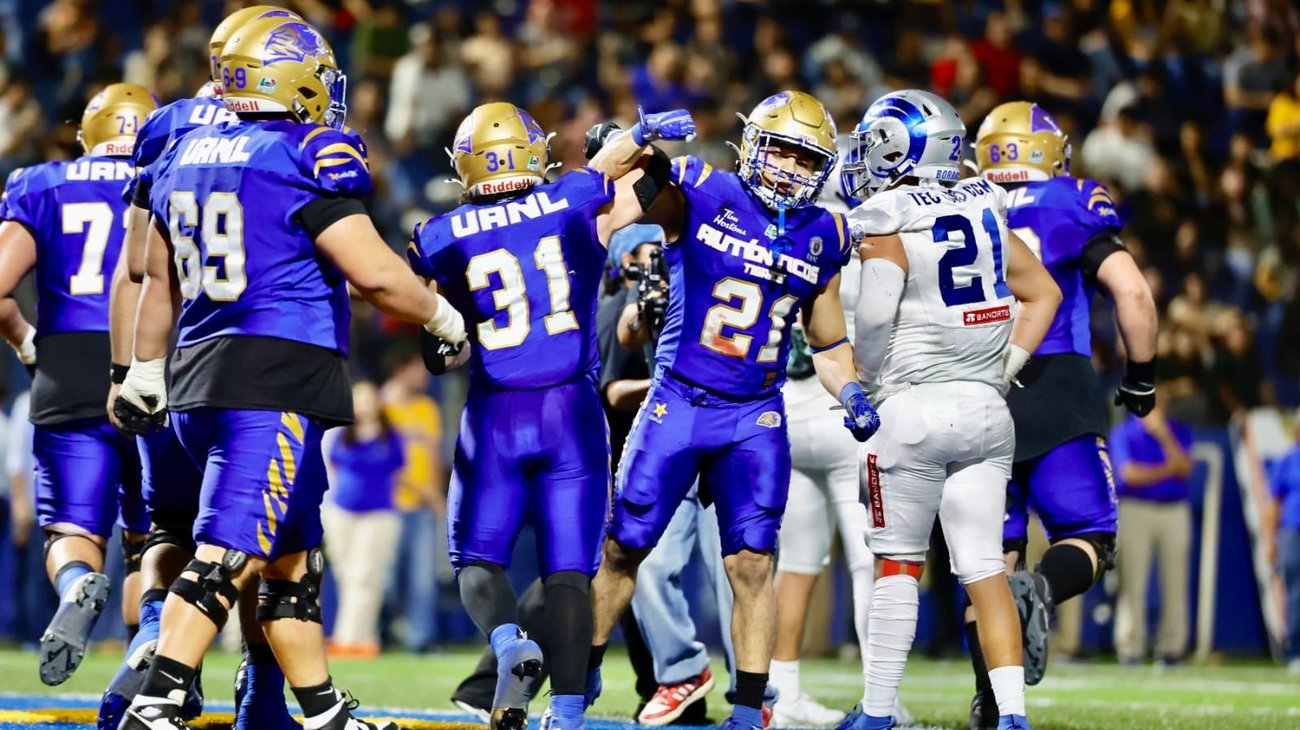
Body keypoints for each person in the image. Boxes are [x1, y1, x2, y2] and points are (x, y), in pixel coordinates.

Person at [113, 16, 466, 730]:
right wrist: (441, 314)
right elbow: (373, 275)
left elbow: (154, 276)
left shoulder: (181, 144)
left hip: (199, 373)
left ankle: (322, 711)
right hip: (271, 378)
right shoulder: (301, 152)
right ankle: (157, 698)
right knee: (231, 549)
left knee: (291, 558)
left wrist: (143, 368)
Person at [589, 90, 876, 730]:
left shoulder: (825, 233)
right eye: (782, 151)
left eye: (807, 159)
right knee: (622, 549)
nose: (791, 168)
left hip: (755, 414)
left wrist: (852, 391)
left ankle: (748, 714)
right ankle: (574, 694)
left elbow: (829, 342)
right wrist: (637, 136)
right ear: (753, 146)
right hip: (679, 400)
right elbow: (598, 184)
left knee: (752, 565)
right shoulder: (706, 191)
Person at [407, 101, 693, 730]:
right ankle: (565, 714)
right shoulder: (572, 200)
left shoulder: (438, 236)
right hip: (571, 411)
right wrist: (643, 140)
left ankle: (509, 643)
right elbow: (649, 180)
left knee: (477, 561)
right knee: (569, 573)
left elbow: (439, 356)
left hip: (495, 413)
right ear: (532, 154)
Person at [99, 7, 305, 729]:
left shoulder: (171, 127)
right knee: (258, 537)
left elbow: (137, 267)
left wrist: (128, 372)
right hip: (253, 366)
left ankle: (154, 638)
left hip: (167, 364)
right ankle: (258, 692)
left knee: (168, 529)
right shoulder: (284, 141)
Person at [834, 89, 1061, 730]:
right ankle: (1012, 715)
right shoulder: (983, 201)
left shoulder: (886, 213)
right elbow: (1042, 292)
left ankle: (877, 712)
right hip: (987, 410)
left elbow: (875, 314)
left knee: (898, 565)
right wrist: (1001, 371)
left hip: (913, 407)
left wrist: (864, 379)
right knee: (986, 569)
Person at [968, 101, 1159, 727]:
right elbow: (1132, 292)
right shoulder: (1071, 199)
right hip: (1055, 380)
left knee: (989, 560)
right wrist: (1141, 377)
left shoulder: (960, 203)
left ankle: (992, 702)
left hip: (975, 387)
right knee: (1090, 535)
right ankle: (1044, 592)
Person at [0, 82, 158, 687]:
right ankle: (148, 650)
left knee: (71, 526)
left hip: (66, 365)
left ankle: (75, 583)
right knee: (153, 536)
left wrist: (26, 341)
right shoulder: (170, 177)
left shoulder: (42, 183)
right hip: (152, 363)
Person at [1109, 393, 1194, 665]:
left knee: (1176, 581)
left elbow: (1185, 468)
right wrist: (1168, 470)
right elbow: (1129, 474)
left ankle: (1172, 647)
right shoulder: (1124, 433)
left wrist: (1164, 437)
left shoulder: (1178, 431)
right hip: (1136, 509)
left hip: (1174, 509)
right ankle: (1130, 647)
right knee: (1132, 581)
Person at [322, 380, 405, 657]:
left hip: (378, 513)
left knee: (364, 575)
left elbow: (398, 470)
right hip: (341, 512)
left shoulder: (390, 435)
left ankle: (348, 639)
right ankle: (365, 637)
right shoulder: (341, 434)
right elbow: (332, 467)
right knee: (348, 577)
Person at [381, 343, 445, 654]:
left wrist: (437, 495)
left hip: (421, 507)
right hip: (386, 505)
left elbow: (434, 457)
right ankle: (382, 631)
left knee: (423, 579)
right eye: (419, 368)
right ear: (401, 369)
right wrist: (428, 493)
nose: (425, 375)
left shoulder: (428, 408)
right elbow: (381, 461)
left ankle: (420, 639)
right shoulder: (379, 406)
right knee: (386, 581)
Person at [1268, 420, 1300, 675]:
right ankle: (1296, 651)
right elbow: (1275, 504)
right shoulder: (1288, 460)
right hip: (1292, 532)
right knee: (1295, 592)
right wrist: (1271, 541)